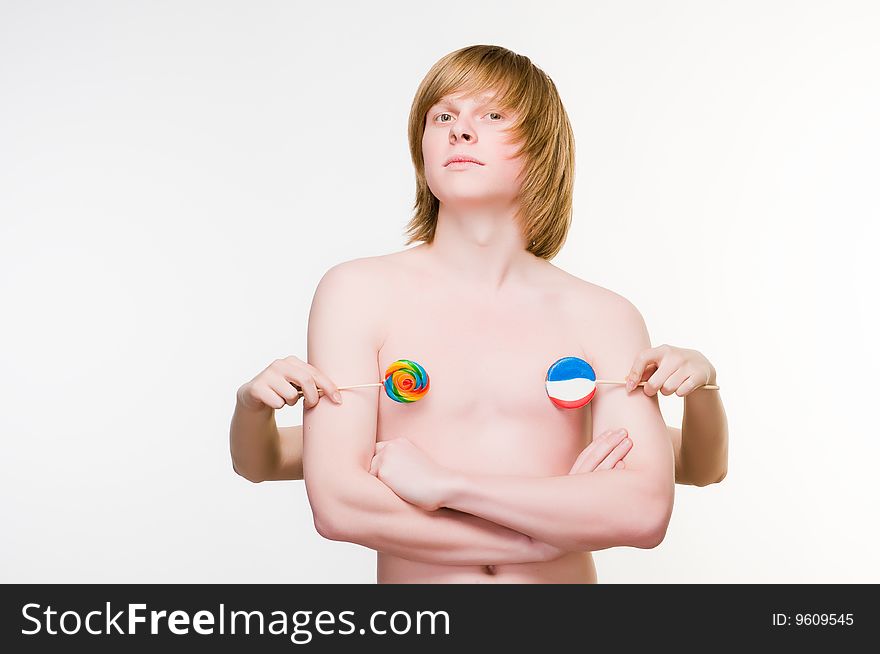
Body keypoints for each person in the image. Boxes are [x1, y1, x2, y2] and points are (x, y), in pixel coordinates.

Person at [230, 44, 729, 583]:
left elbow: (644, 510)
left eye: (492, 115)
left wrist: (447, 488)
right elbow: (338, 503)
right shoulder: (357, 292)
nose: (459, 130)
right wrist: (540, 539)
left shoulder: (604, 315)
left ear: (542, 147)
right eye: (442, 115)